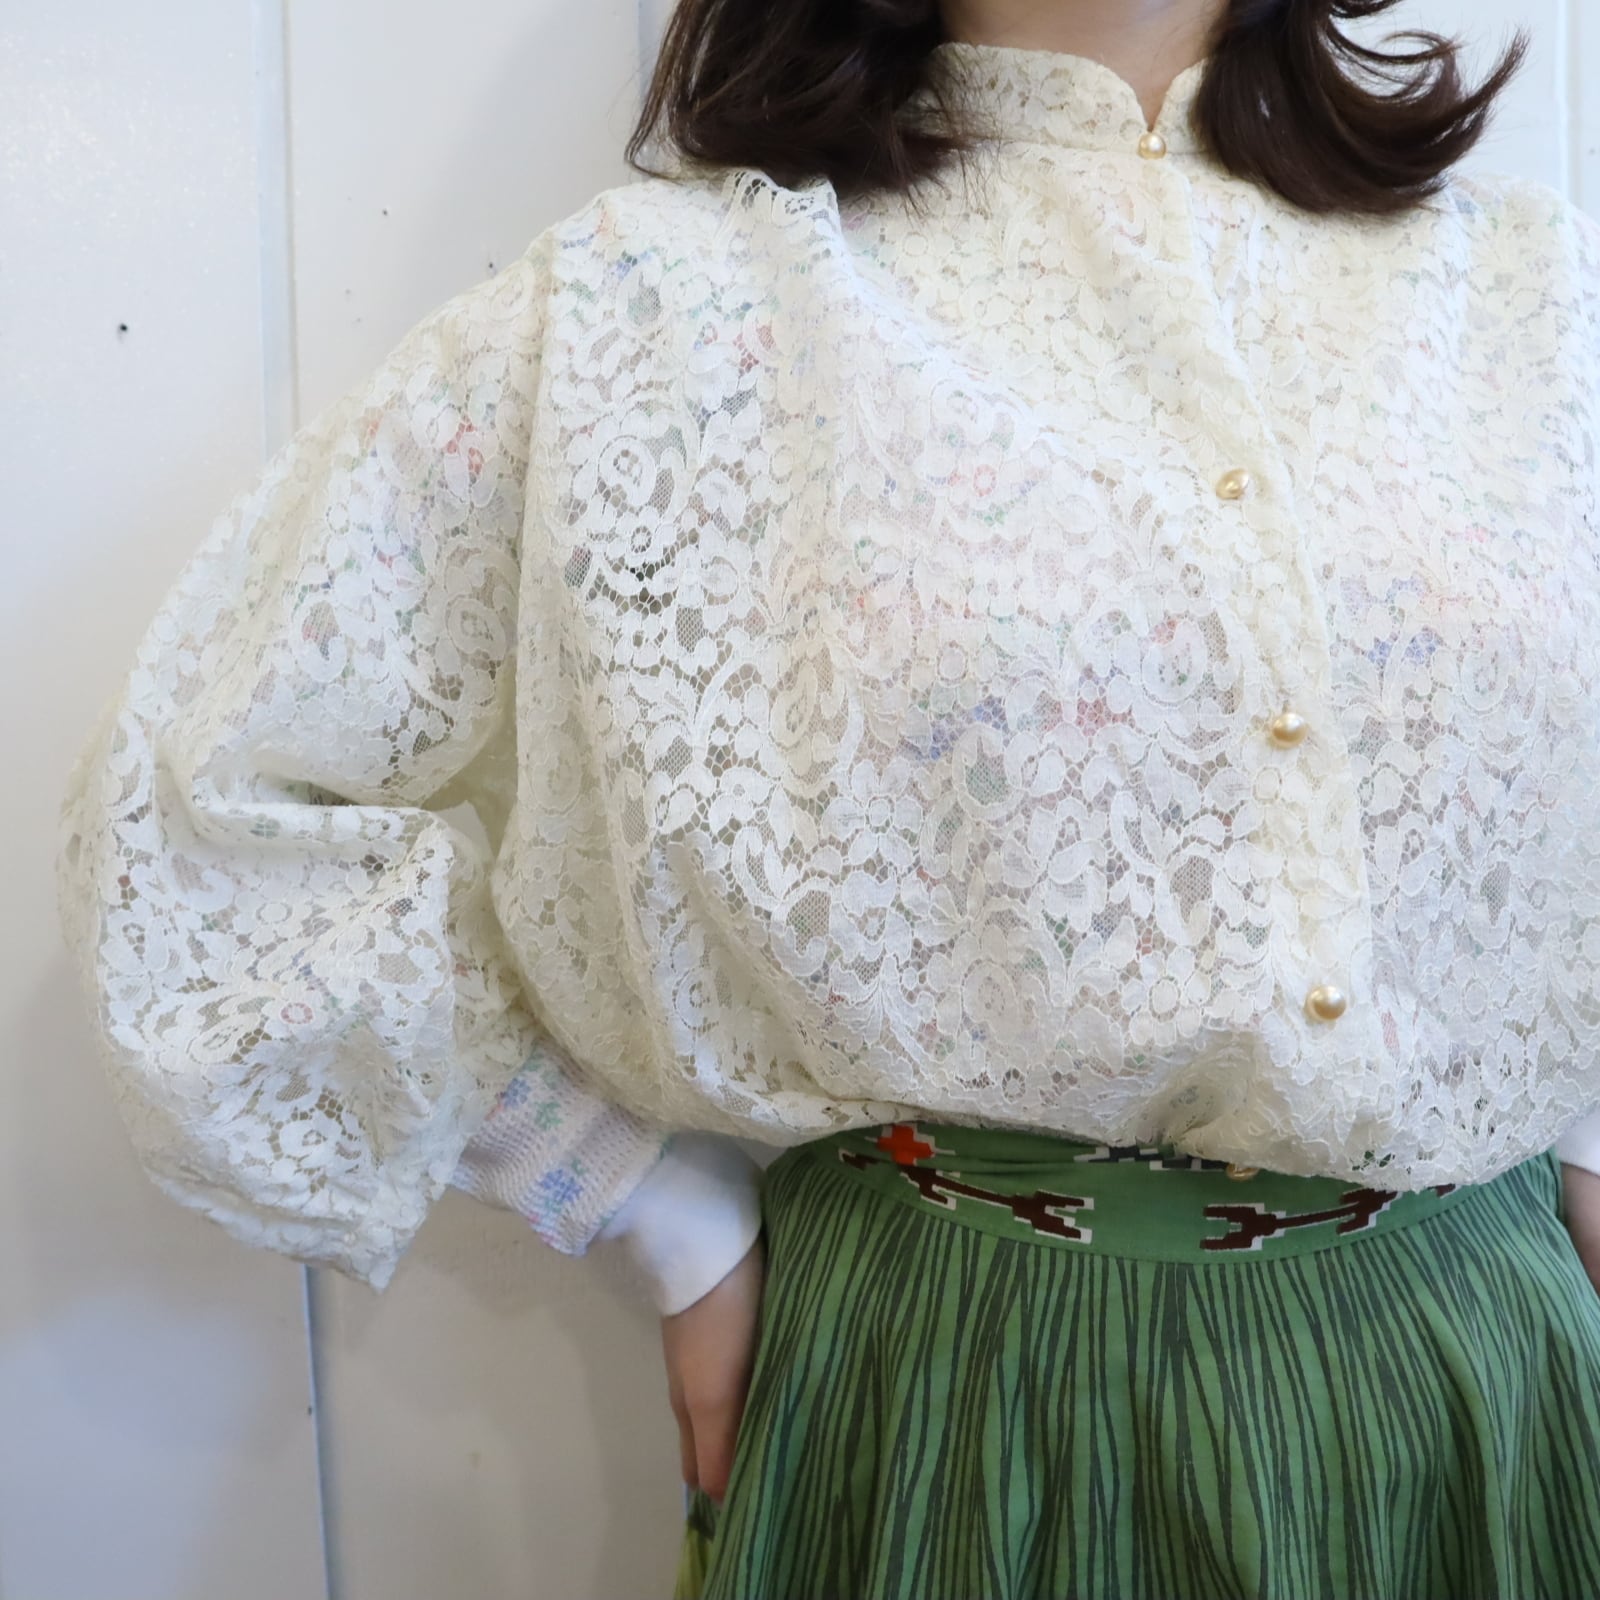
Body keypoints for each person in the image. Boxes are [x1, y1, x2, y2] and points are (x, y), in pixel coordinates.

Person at [53, 0, 1600, 1592]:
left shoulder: (1528, 296)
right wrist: (636, 1195)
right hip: (954, 1398)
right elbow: (198, 808)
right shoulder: (665, 313)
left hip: (1494, 1385)